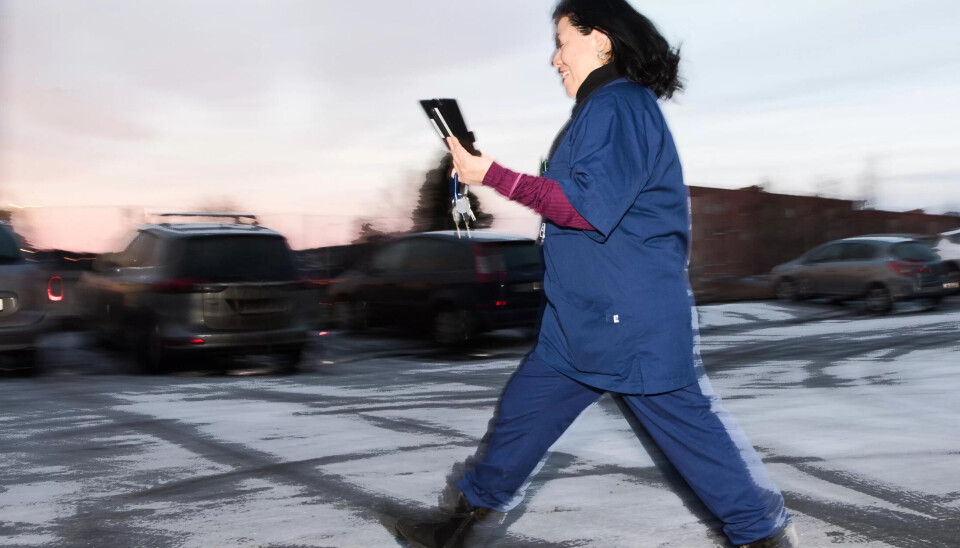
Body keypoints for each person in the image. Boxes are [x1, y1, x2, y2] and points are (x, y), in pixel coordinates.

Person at [396, 1, 799, 547]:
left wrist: (491, 174)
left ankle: (764, 536)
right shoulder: (597, 112)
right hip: (578, 319)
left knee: (691, 435)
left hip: (628, 319)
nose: (555, 58)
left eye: (563, 41)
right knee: (521, 418)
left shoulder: (620, 106)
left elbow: (587, 206)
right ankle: (457, 528)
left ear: (601, 40)